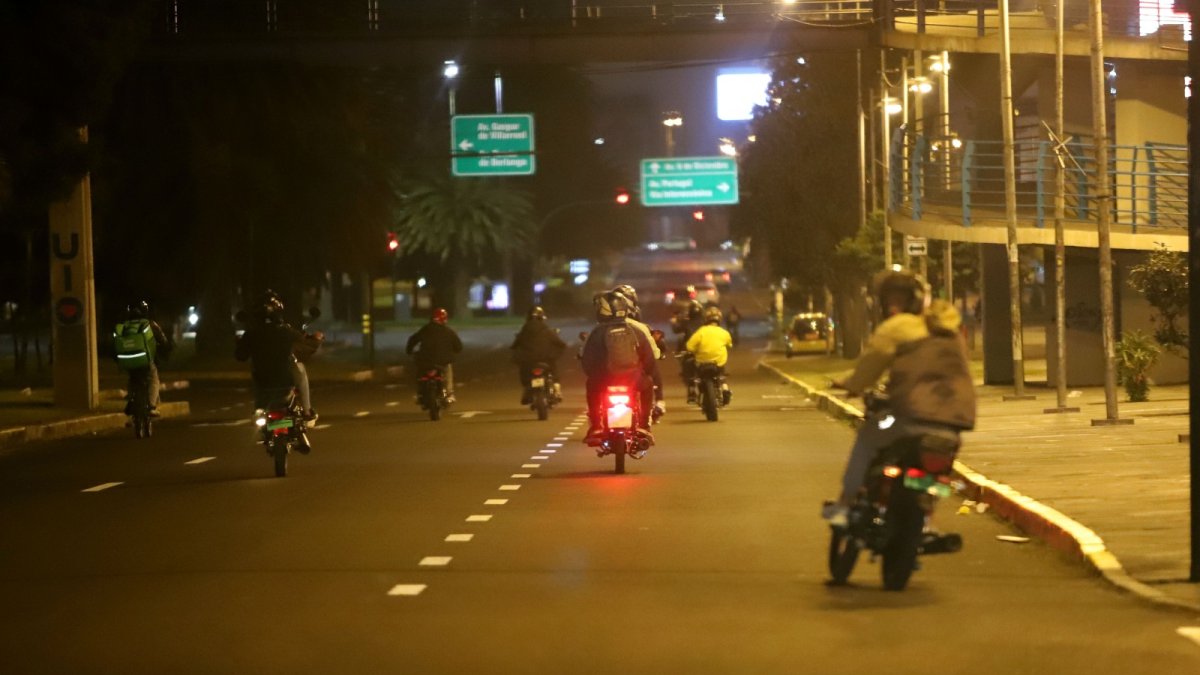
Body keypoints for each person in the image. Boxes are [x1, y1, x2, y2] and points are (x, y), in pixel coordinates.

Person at [825, 270, 976, 526]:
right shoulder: (951, 329)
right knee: (938, 473)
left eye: (899, 300)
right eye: (890, 300)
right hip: (956, 420)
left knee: (867, 439)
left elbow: (869, 368)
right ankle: (926, 516)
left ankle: (844, 506)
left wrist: (851, 384)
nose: (894, 307)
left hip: (911, 415)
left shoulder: (898, 327)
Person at [580, 292, 658, 445]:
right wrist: (644, 373)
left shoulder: (597, 332)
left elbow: (587, 361)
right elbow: (649, 360)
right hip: (633, 380)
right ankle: (643, 425)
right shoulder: (636, 330)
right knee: (648, 385)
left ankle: (596, 425)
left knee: (591, 386)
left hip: (604, 380)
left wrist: (595, 376)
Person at [235, 291, 321, 422]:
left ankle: (259, 412)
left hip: (262, 384)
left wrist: (241, 343)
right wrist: (316, 339)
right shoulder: (285, 331)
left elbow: (240, 356)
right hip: (285, 381)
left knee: (258, 405)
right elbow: (306, 344)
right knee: (300, 367)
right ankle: (307, 411)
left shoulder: (251, 334)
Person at [612, 284, 666, 421]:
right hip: (632, 374)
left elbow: (588, 354)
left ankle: (595, 423)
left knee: (592, 385)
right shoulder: (640, 328)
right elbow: (653, 353)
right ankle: (645, 421)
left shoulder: (600, 328)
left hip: (608, 375)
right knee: (649, 380)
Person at [113, 300, 172, 417]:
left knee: (132, 378)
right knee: (153, 379)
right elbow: (163, 340)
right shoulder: (150, 324)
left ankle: (131, 399)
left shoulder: (124, 327)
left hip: (128, 361)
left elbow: (114, 345)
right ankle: (151, 406)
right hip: (146, 361)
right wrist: (166, 348)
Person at [511, 306, 567, 404]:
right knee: (554, 371)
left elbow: (515, 345)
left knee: (524, 372)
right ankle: (557, 390)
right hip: (546, 359)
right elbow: (560, 344)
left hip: (529, 360)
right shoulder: (547, 330)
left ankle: (526, 391)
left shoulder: (524, 331)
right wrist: (557, 353)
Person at [406, 307, 463, 403]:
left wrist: (409, 350)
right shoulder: (449, 331)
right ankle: (449, 392)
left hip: (425, 361)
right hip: (442, 362)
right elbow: (458, 347)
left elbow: (413, 340)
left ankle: (420, 392)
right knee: (448, 369)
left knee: (420, 372)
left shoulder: (425, 329)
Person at [685, 306, 733, 404]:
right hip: (718, 363)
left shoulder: (701, 331)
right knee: (722, 374)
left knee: (690, 366)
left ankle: (692, 390)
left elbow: (689, 346)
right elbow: (730, 345)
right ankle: (725, 389)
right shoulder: (724, 332)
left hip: (702, 362)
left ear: (706, 319)